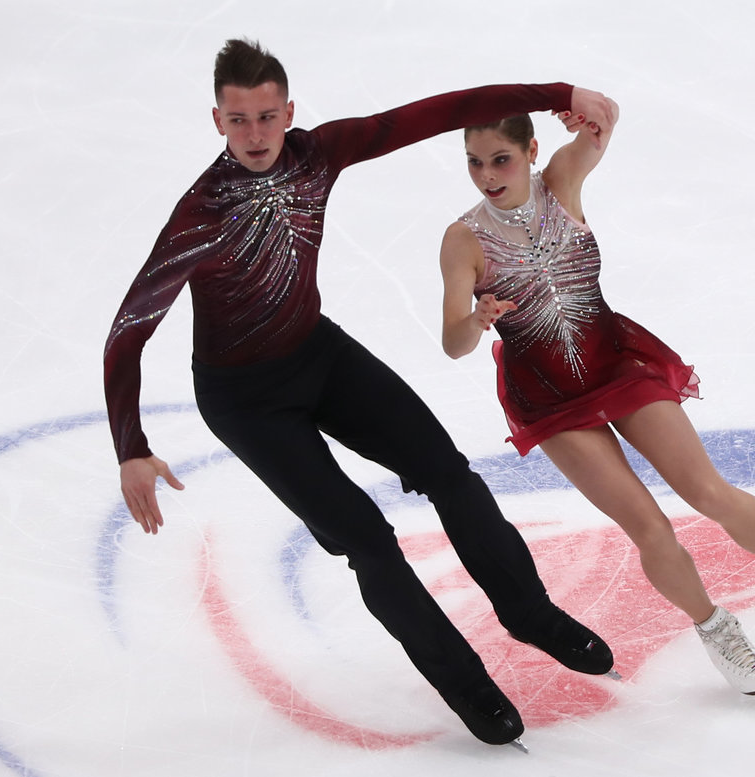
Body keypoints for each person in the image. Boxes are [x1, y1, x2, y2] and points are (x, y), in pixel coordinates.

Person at [104, 38, 622, 747]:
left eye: (265, 116)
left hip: (318, 354)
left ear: (288, 111)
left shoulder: (318, 153)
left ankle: (530, 611)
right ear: (217, 122)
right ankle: (466, 682)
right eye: (238, 120)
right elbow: (129, 328)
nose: (255, 135)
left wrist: (555, 91)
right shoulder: (201, 214)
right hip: (245, 402)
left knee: (449, 472)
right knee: (369, 540)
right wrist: (131, 446)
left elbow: (437, 113)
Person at [437, 108, 755, 703]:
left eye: (500, 158)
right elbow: (453, 343)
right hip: (549, 396)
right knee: (649, 528)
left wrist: (573, 103)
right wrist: (475, 322)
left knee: (709, 492)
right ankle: (716, 627)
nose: (486, 174)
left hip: (613, 363)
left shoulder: (561, 182)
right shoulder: (463, 240)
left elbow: (604, 121)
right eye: (474, 162)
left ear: (531, 151)